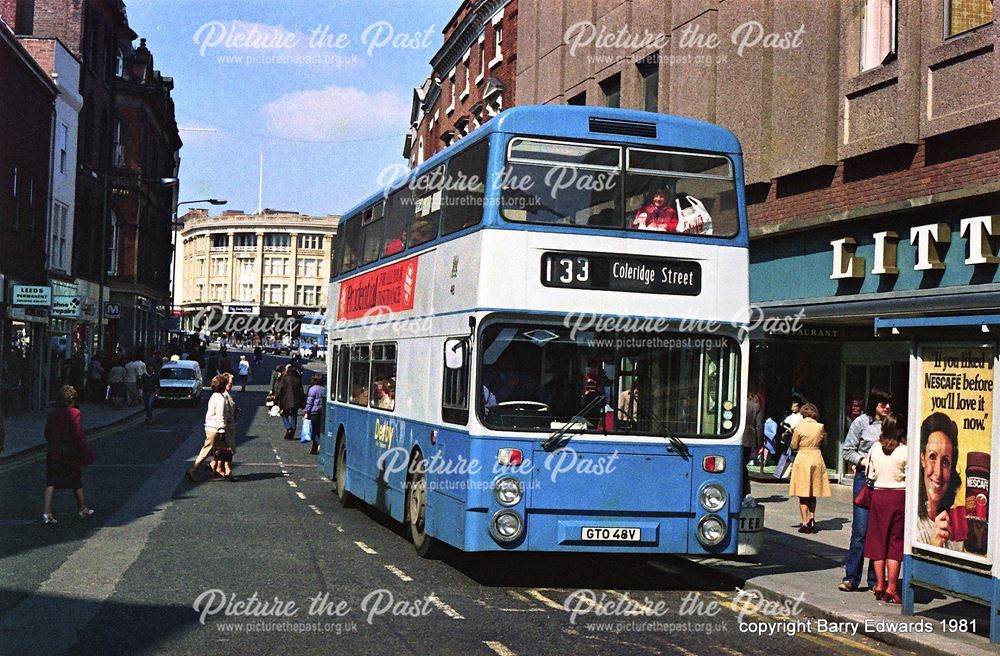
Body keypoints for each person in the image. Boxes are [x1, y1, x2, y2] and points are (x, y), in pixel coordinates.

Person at [839, 386, 893, 592]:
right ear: (874, 405)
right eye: (882, 404)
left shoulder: (892, 423)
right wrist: (863, 462)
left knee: (879, 530)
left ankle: (874, 580)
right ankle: (851, 577)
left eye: (889, 403)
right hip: (865, 479)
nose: (887, 407)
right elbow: (847, 451)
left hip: (886, 480)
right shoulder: (860, 422)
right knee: (860, 529)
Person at [864, 412, 908, 604]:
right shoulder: (905, 450)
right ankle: (892, 587)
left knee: (877, 542)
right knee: (895, 543)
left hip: (879, 495)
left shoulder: (875, 448)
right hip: (899, 496)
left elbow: (869, 474)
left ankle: (880, 584)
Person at [42, 386, 95, 523]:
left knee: (51, 482)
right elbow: (78, 434)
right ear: (72, 400)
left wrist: (53, 442)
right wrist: (85, 449)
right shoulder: (75, 413)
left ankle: (47, 512)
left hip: (54, 452)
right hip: (70, 452)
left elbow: (47, 432)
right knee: (76, 481)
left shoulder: (52, 413)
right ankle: (82, 509)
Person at [915, 412, 963, 550]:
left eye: (945, 462)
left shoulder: (955, 524)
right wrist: (933, 547)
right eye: (932, 457)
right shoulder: (912, 520)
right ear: (922, 458)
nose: (938, 473)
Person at [787, 403, 831, 533]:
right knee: (813, 491)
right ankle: (812, 517)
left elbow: (794, 445)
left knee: (803, 493)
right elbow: (825, 442)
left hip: (803, 458)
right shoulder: (820, 427)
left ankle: (805, 522)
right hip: (816, 457)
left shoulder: (799, 427)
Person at [186, 375, 228, 482]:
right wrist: (222, 429)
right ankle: (193, 470)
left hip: (210, 427)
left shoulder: (213, 396)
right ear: (223, 386)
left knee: (218, 449)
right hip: (215, 428)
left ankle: (214, 467)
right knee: (207, 450)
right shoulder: (220, 398)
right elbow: (220, 415)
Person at [742, 389, 764, 498]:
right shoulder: (756, 405)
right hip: (749, 438)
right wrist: (759, 443)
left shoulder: (737, 402)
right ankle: (745, 490)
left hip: (736, 438)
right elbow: (759, 425)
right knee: (743, 464)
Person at [275, 364, 305, 440]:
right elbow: (301, 392)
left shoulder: (284, 379)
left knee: (284, 415)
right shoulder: (298, 380)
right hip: (296, 401)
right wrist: (302, 402)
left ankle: (288, 427)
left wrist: (276, 399)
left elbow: (279, 390)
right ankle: (292, 433)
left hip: (285, 400)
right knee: (294, 416)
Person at [304, 374, 325, 454]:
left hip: (314, 412)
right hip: (322, 412)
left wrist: (306, 411)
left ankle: (319, 443)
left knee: (312, 432)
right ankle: (314, 448)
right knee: (318, 431)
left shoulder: (312, 389)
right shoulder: (324, 389)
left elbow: (310, 402)